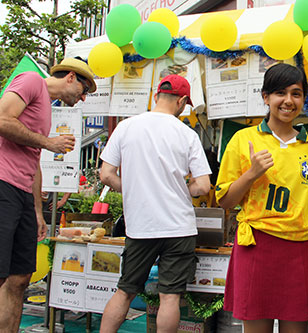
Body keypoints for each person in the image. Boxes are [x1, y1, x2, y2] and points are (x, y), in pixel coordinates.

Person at [99, 74, 211, 333]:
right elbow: (203, 186)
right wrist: (183, 189)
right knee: (170, 297)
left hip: (141, 226)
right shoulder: (187, 134)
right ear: (182, 101)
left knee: (125, 291)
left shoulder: (126, 126)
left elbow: (106, 174)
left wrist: (134, 190)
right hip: (178, 228)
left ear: (156, 96)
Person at [216, 63, 308, 333]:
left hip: (300, 247)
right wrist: (251, 174)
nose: (288, 101)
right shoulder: (243, 139)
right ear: (265, 97)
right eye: (280, 93)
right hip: (256, 246)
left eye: (296, 94)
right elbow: (225, 201)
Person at [0, 57, 93, 331]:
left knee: (20, 278)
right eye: (85, 90)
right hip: (3, 184)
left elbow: (33, 158)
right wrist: (48, 142)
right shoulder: (31, 80)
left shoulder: (48, 107)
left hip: (22, 195)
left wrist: (38, 211)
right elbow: (3, 119)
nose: (83, 98)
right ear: (71, 77)